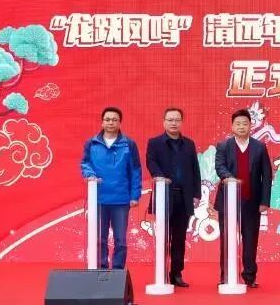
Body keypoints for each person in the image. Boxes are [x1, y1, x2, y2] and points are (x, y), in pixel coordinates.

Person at [215, 109, 272, 288]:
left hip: (251, 202)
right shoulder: (223, 146)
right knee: (227, 240)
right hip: (228, 202)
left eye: (245, 123)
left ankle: (249, 276)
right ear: (232, 126)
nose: (241, 127)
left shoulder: (259, 147)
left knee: (250, 240)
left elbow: (267, 175)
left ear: (250, 125)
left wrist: (264, 201)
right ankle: (226, 275)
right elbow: (220, 167)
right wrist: (229, 178)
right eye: (238, 124)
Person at [81, 106, 142, 270]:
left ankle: (117, 272)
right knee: (99, 239)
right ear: (102, 122)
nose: (110, 123)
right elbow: (85, 163)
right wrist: (90, 175)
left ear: (119, 123)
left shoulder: (129, 144)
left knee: (120, 240)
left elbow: (135, 170)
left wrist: (135, 195)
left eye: (114, 120)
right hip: (98, 199)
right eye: (107, 119)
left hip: (121, 200)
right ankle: (101, 269)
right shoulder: (91, 143)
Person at [146, 107, 201, 287]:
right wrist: (159, 177)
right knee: (163, 237)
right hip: (164, 196)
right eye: (170, 120)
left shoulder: (189, 144)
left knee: (179, 238)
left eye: (177, 120)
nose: (174, 123)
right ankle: (161, 272)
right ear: (164, 122)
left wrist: (196, 194)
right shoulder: (155, 143)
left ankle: (176, 273)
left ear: (182, 122)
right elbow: (151, 162)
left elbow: (195, 169)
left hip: (183, 198)